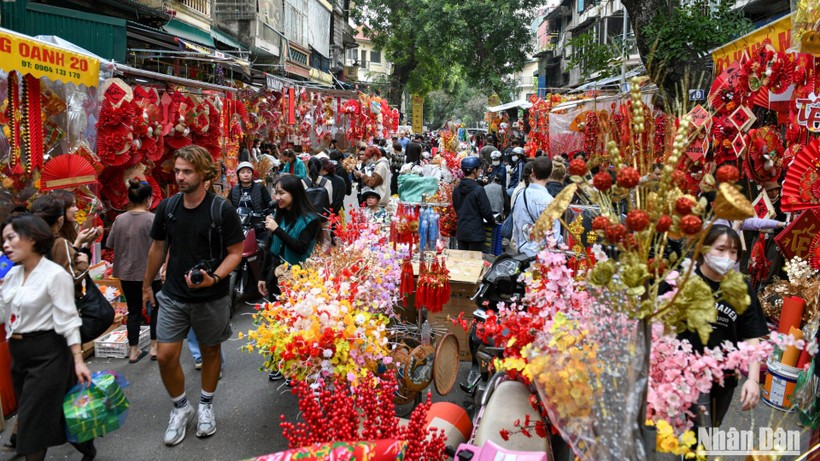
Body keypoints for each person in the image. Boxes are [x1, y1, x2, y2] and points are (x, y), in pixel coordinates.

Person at [142, 145, 244, 446]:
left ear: (203, 174)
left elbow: (235, 253)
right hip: (174, 294)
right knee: (165, 355)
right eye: (177, 171)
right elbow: (157, 247)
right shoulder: (168, 207)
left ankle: (206, 405)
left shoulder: (221, 209)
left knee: (211, 352)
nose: (180, 177)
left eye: (187, 171)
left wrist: (214, 277)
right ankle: (180, 407)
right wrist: (147, 284)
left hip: (211, 296)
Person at [0, 213, 95, 461]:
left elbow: (69, 319)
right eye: (4, 240)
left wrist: (78, 361)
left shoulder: (55, 275)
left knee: (31, 423)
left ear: (31, 238)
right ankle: (85, 443)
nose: (6, 245)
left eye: (11, 238)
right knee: (56, 409)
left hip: (49, 353)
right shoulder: (11, 276)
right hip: (19, 356)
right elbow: (3, 313)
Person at [675, 226, 766, 428]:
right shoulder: (683, 280)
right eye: (721, 249)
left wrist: (753, 379)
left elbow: (752, 335)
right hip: (684, 374)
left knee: (709, 430)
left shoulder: (742, 288)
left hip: (723, 377)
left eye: (733, 252)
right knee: (686, 429)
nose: (727, 257)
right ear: (704, 248)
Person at [259, 175, 322, 379]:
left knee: (296, 324)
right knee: (276, 321)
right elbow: (269, 249)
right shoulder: (278, 215)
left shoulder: (310, 220)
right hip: (275, 276)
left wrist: (277, 229)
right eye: (275, 192)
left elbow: (300, 247)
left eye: (281, 193)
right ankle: (278, 363)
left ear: (295, 194)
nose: (277, 197)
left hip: (298, 279)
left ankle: (295, 368)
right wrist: (262, 276)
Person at [105, 180, 162, 363]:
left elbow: (110, 244)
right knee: (156, 309)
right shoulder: (152, 220)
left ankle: (133, 350)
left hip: (127, 273)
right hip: (150, 273)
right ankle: (154, 347)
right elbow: (162, 246)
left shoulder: (120, 220)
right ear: (148, 199)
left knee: (133, 310)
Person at [512, 156, 560, 256]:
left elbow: (516, 224)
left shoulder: (521, 195)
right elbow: (554, 236)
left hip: (522, 252)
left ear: (533, 171)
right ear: (551, 173)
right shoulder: (550, 201)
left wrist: (518, 246)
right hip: (542, 256)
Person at [452, 156, 496, 252]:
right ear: (474, 171)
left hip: (461, 231)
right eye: (479, 169)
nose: (480, 171)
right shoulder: (478, 190)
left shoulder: (456, 189)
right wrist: (493, 222)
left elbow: (456, 207)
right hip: (476, 233)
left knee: (462, 259)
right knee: (475, 260)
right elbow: (486, 212)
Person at [50, 189, 101, 254]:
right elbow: (68, 259)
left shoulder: (69, 229)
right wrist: (78, 242)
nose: (77, 209)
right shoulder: (54, 237)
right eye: (73, 205)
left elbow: (80, 258)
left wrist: (89, 242)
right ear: (62, 208)